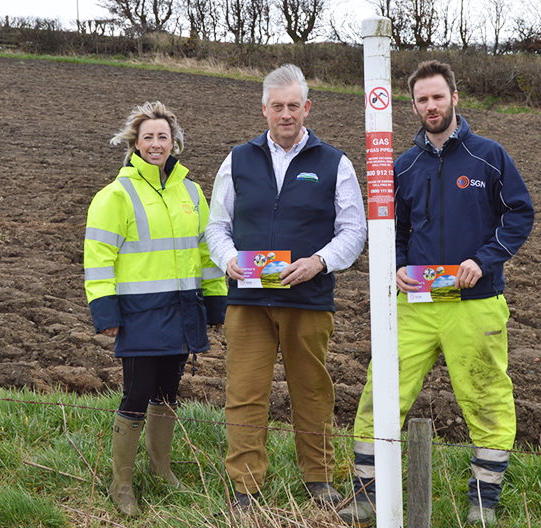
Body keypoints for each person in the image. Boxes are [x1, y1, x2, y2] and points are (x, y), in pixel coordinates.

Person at [337, 60, 534, 526]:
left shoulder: (490, 155)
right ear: (414, 105)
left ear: (454, 98)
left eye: (438, 97)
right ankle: (366, 498)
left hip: (476, 302)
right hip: (417, 304)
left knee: (487, 399)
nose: (431, 106)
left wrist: (482, 260)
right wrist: (400, 265)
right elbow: (395, 229)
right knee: (380, 394)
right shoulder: (403, 166)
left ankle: (482, 506)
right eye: (422, 99)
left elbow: (519, 214)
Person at [205, 64, 367, 513]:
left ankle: (318, 478)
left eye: (294, 106)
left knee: (313, 389)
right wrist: (229, 260)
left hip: (308, 299)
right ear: (264, 109)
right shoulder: (237, 159)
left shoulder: (335, 162)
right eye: (277, 106)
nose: (286, 114)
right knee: (244, 391)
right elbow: (216, 226)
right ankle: (245, 486)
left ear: (307, 107)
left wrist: (319, 262)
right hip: (248, 300)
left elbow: (354, 231)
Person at [84, 101, 227, 517]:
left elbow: (206, 251)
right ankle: (121, 484)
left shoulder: (191, 191)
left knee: (168, 392)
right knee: (136, 394)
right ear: (135, 142)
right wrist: (106, 312)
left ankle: (161, 470)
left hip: (182, 311)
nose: (155, 143)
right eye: (147, 137)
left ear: (173, 141)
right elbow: (98, 256)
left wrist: (215, 300)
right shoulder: (116, 194)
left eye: (162, 136)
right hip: (141, 314)